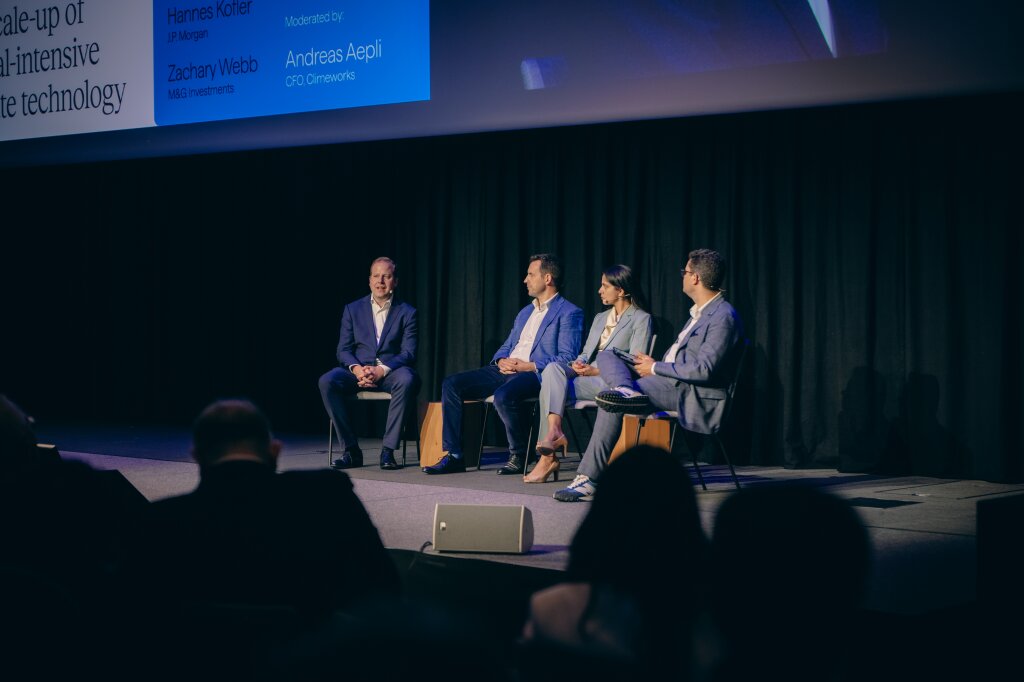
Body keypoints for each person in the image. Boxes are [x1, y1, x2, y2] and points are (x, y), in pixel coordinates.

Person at [130, 399, 399, 618]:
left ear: (197, 456)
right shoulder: (326, 496)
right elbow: (383, 585)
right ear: (274, 450)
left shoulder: (161, 521)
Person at [554, 248, 743, 502]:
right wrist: (652, 365)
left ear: (696, 278)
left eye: (685, 272)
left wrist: (654, 367)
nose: (683, 277)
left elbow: (703, 370)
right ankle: (625, 389)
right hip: (666, 381)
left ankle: (589, 478)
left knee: (612, 399)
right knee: (610, 354)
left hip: (689, 391)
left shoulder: (722, 316)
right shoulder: (697, 314)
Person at [520, 446, 707, 678]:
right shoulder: (706, 629)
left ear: (601, 517)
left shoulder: (549, 609)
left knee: (611, 406)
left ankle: (583, 472)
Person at [423, 254, 583, 475]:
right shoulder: (525, 312)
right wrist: (501, 360)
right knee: (452, 384)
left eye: (530, 274)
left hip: (535, 374)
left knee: (504, 395)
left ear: (547, 278)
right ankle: (455, 455)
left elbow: (567, 358)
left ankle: (518, 455)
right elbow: (507, 345)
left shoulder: (569, 312)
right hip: (506, 369)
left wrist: (527, 366)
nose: (525, 280)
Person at [526, 265, 652, 483]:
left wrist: (595, 370)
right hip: (586, 375)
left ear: (620, 290)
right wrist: (579, 364)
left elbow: (635, 363)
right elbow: (585, 353)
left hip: (611, 381)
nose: (599, 290)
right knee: (553, 370)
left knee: (551, 387)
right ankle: (555, 431)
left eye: (604, 286)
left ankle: (548, 458)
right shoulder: (600, 318)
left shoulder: (641, 319)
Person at [319, 257, 420, 470]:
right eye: (376, 276)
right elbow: (343, 350)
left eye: (387, 276)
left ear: (395, 281)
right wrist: (357, 369)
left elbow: (409, 352)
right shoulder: (352, 309)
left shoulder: (408, 312)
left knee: (408, 378)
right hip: (358, 371)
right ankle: (351, 451)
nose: (380, 281)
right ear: (369, 280)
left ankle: (388, 451)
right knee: (327, 381)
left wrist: (381, 370)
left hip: (389, 372)